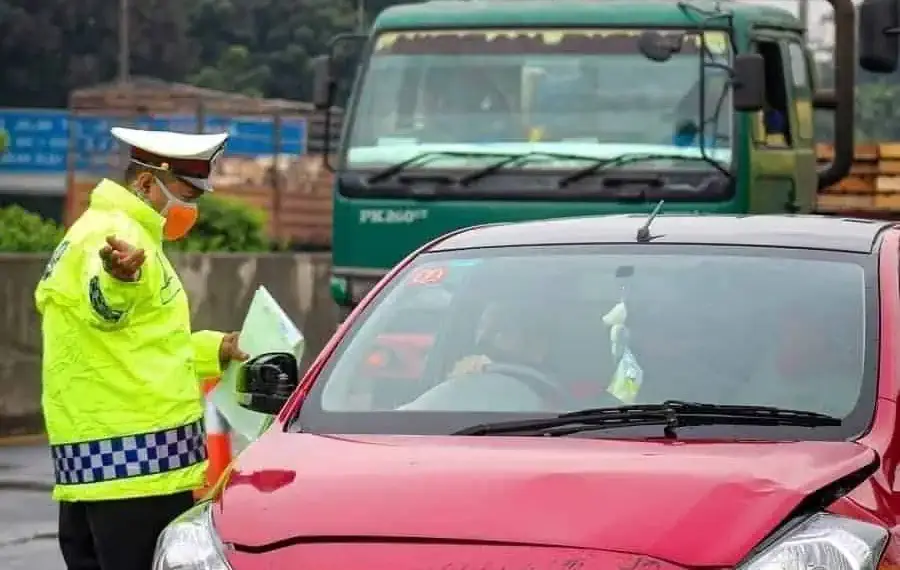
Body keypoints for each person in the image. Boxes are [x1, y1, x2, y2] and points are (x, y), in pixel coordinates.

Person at [34, 127, 250, 570]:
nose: (191, 209)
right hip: (135, 474)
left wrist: (217, 348)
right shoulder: (115, 237)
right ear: (148, 183)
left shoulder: (118, 229)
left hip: (103, 466)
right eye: (186, 195)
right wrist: (119, 281)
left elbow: (138, 342)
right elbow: (105, 307)